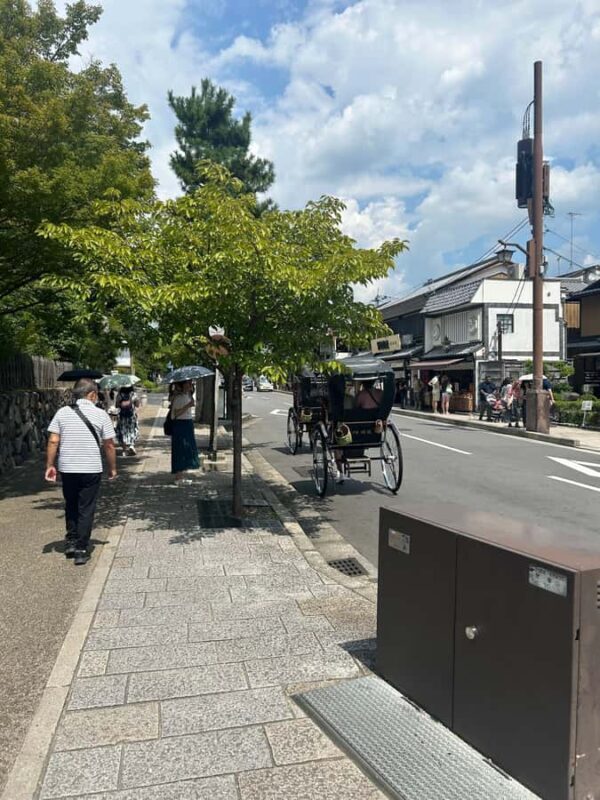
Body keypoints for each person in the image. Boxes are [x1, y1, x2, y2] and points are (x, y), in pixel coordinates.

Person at [45, 379, 117, 565]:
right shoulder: (101, 415)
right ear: (92, 394)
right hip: (91, 468)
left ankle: (70, 542)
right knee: (86, 507)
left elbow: (53, 440)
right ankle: (81, 548)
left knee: (71, 504)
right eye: (96, 394)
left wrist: (50, 465)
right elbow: (109, 445)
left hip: (68, 468)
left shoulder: (62, 413)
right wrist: (112, 468)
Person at [170, 380, 200, 483]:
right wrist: (188, 405)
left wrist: (191, 394)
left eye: (191, 383)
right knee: (180, 449)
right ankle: (178, 477)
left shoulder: (187, 395)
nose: (190, 385)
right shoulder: (179, 398)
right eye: (188, 383)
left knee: (187, 449)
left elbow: (192, 403)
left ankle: (181, 475)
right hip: (181, 425)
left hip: (187, 424)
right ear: (182, 385)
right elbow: (175, 413)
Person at [116, 384, 140, 456]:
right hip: (131, 416)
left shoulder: (120, 395)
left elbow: (116, 405)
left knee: (123, 432)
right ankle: (131, 445)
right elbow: (137, 405)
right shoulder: (133, 394)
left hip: (122, 417)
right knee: (133, 430)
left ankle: (124, 450)